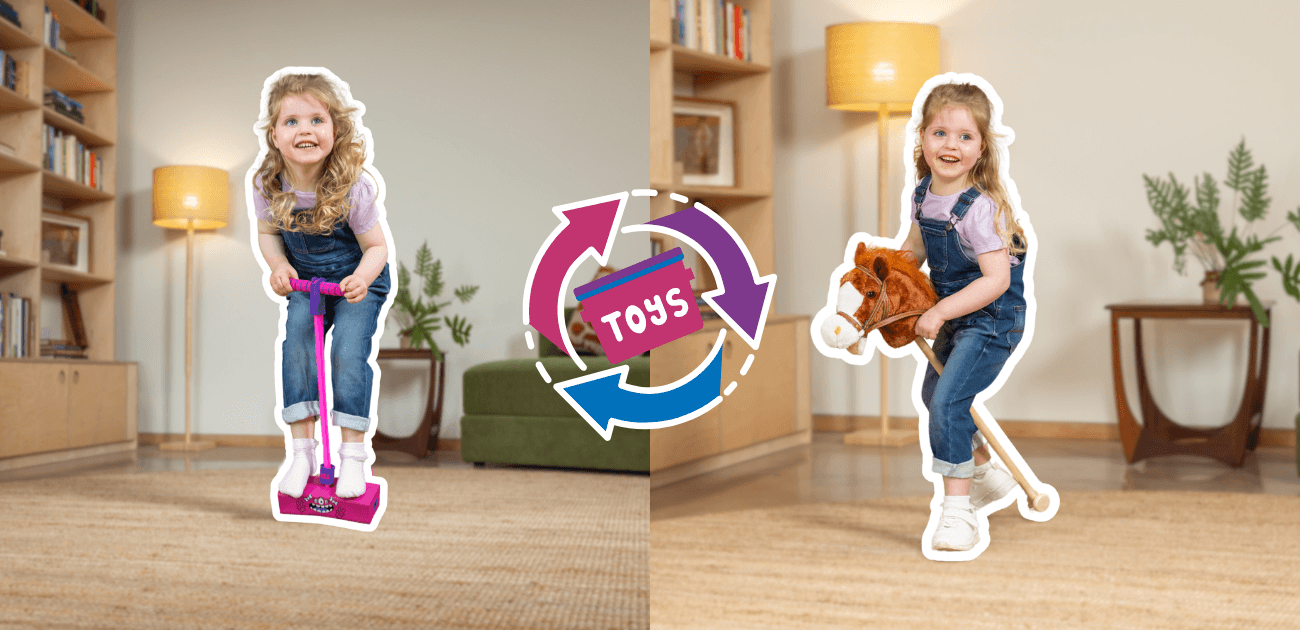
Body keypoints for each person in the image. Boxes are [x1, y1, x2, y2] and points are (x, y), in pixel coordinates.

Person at [900, 82, 1027, 552]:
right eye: (939, 133)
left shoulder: (980, 209)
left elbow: (994, 281)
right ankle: (985, 473)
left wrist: (939, 311)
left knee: (950, 401)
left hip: (993, 320)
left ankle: (956, 513)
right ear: (923, 140)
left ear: (981, 150)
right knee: (934, 396)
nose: (950, 145)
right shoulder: (922, 195)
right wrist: (888, 278)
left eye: (964, 137)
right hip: (956, 315)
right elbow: (915, 249)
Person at [252, 71, 390, 501]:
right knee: (296, 345)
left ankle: (352, 457)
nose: (304, 130)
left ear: (335, 130)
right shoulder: (268, 186)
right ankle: (302, 454)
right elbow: (268, 235)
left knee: (347, 351)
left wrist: (361, 279)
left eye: (316, 120)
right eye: (291, 122)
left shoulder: (353, 188)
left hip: (356, 282)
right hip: (306, 283)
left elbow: (377, 247)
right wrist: (277, 266)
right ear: (274, 135)